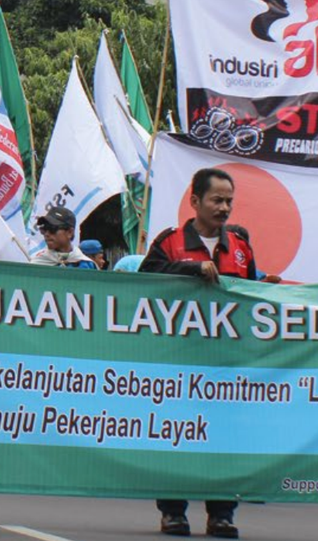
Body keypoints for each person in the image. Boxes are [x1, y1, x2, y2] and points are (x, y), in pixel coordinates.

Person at [141, 168, 253, 539]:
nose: (224, 208)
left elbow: (250, 296)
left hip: (225, 363)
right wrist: (190, 270)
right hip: (178, 361)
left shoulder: (240, 245)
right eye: (216, 200)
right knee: (174, 435)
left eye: (228, 201)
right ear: (195, 202)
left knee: (224, 440)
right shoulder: (169, 242)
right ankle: (173, 512)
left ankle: (222, 513)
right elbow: (144, 282)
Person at [31, 208, 98, 269]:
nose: (47, 234)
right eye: (44, 229)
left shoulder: (87, 265)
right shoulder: (36, 264)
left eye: (52, 228)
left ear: (69, 232)